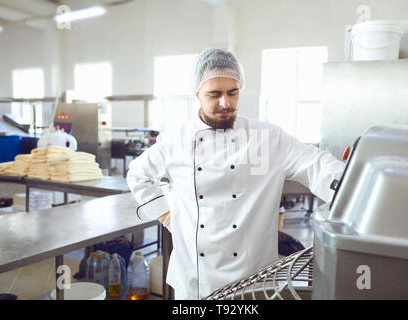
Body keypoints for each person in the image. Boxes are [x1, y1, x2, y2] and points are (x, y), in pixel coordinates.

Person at [127, 48, 345, 299]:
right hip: (196, 278)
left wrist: (354, 185)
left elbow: (316, 163)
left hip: (252, 275)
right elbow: (138, 174)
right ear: (196, 94)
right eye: (214, 94)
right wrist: (166, 216)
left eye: (233, 93)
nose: (225, 103)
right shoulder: (176, 140)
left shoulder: (267, 138)